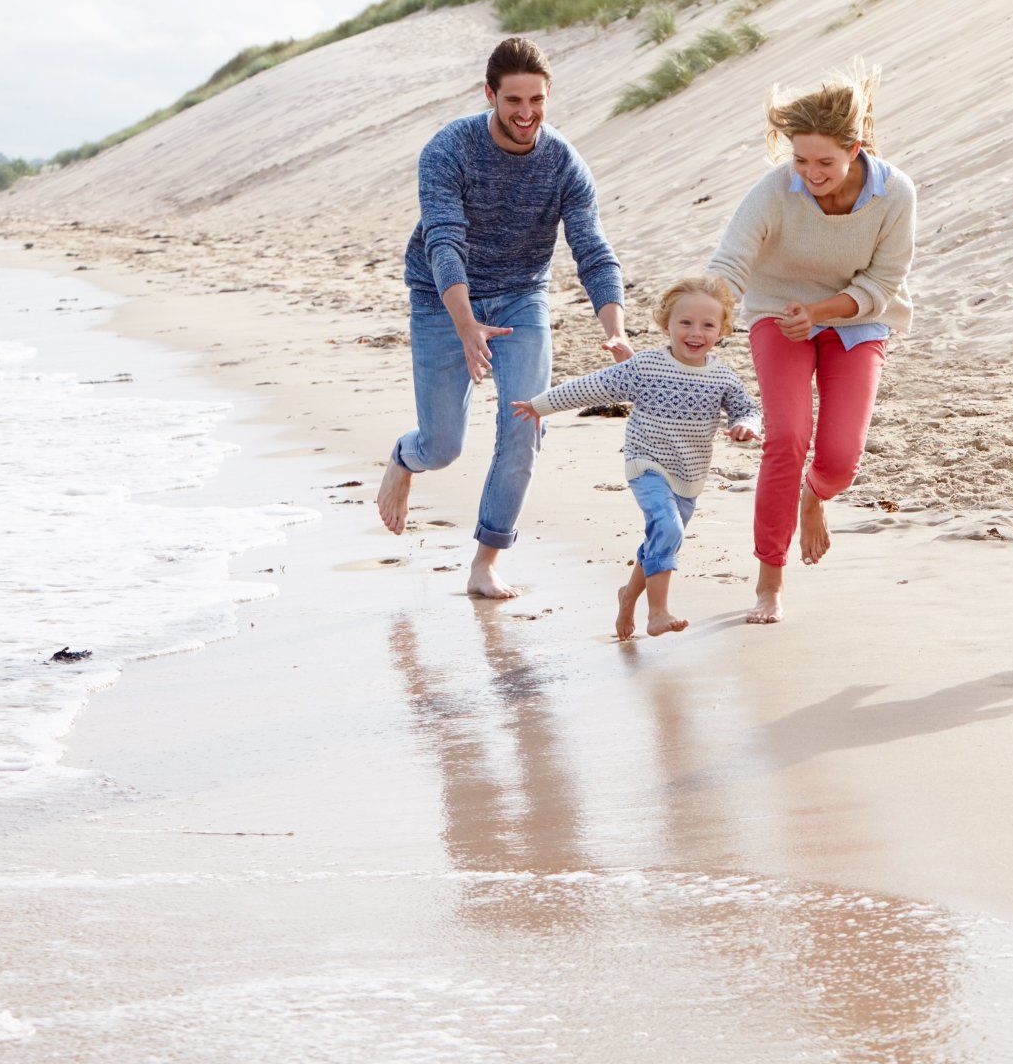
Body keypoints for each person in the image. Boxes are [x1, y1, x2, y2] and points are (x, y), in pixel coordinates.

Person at [377, 37, 632, 599]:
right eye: (513, 99)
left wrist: (614, 328)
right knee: (443, 447)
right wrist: (465, 323)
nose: (525, 113)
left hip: (520, 296)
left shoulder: (563, 163)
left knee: (525, 425)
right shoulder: (450, 149)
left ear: (548, 95)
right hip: (442, 299)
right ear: (489, 93)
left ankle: (486, 560)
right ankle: (404, 457)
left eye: (536, 100)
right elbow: (444, 241)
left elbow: (593, 249)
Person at [707, 64, 915, 624]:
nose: (810, 173)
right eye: (800, 159)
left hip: (856, 319)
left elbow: (882, 284)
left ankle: (815, 496)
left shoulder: (894, 193)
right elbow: (731, 260)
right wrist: (707, 314)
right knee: (787, 439)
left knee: (841, 462)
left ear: (856, 146)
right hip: (778, 314)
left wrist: (821, 312)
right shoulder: (776, 190)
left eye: (825, 161)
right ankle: (769, 580)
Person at [511, 277, 760, 638]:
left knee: (662, 537)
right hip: (647, 464)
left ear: (722, 330)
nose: (696, 332)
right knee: (668, 528)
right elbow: (592, 386)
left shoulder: (722, 377)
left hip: (689, 474)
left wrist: (746, 426)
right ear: (666, 325)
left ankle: (628, 596)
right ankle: (657, 612)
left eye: (708, 325)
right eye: (685, 322)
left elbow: (746, 408)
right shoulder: (644, 367)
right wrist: (539, 405)